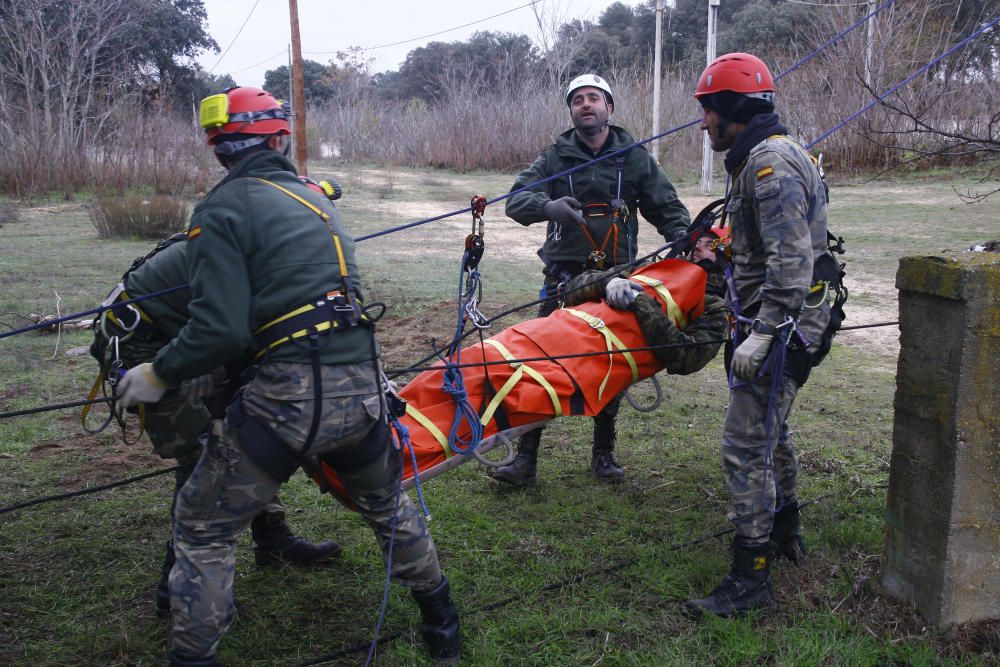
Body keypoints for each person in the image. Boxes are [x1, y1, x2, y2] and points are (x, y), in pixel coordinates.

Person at [116, 86, 460, 666]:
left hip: (286, 404)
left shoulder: (222, 209)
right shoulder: (316, 198)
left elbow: (219, 330)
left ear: (219, 150)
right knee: (387, 504)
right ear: (280, 139)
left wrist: (158, 371)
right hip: (362, 391)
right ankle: (442, 623)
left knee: (202, 531)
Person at [91, 232, 345, 619]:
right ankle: (178, 587)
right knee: (206, 460)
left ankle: (271, 538)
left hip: (186, 337)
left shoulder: (261, 243)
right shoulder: (241, 254)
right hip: (146, 350)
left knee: (251, 427)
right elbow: (237, 334)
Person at [683, 53, 841, 617]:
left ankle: (751, 578)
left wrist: (766, 332)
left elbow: (792, 261)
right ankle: (785, 530)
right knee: (770, 430)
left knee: (745, 443)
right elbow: (768, 244)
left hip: (786, 322)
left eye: (708, 113)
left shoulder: (769, 163)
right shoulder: (763, 157)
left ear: (733, 110)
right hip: (778, 316)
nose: (703, 125)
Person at [498, 73, 692, 485]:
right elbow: (515, 201)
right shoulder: (555, 156)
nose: (586, 105)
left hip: (617, 279)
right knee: (539, 363)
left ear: (610, 108)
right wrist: (548, 207)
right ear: (571, 111)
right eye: (578, 100)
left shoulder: (634, 156)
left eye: (594, 99)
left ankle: (604, 455)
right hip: (563, 279)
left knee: (614, 363)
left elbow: (667, 205)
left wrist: (682, 238)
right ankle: (526, 459)